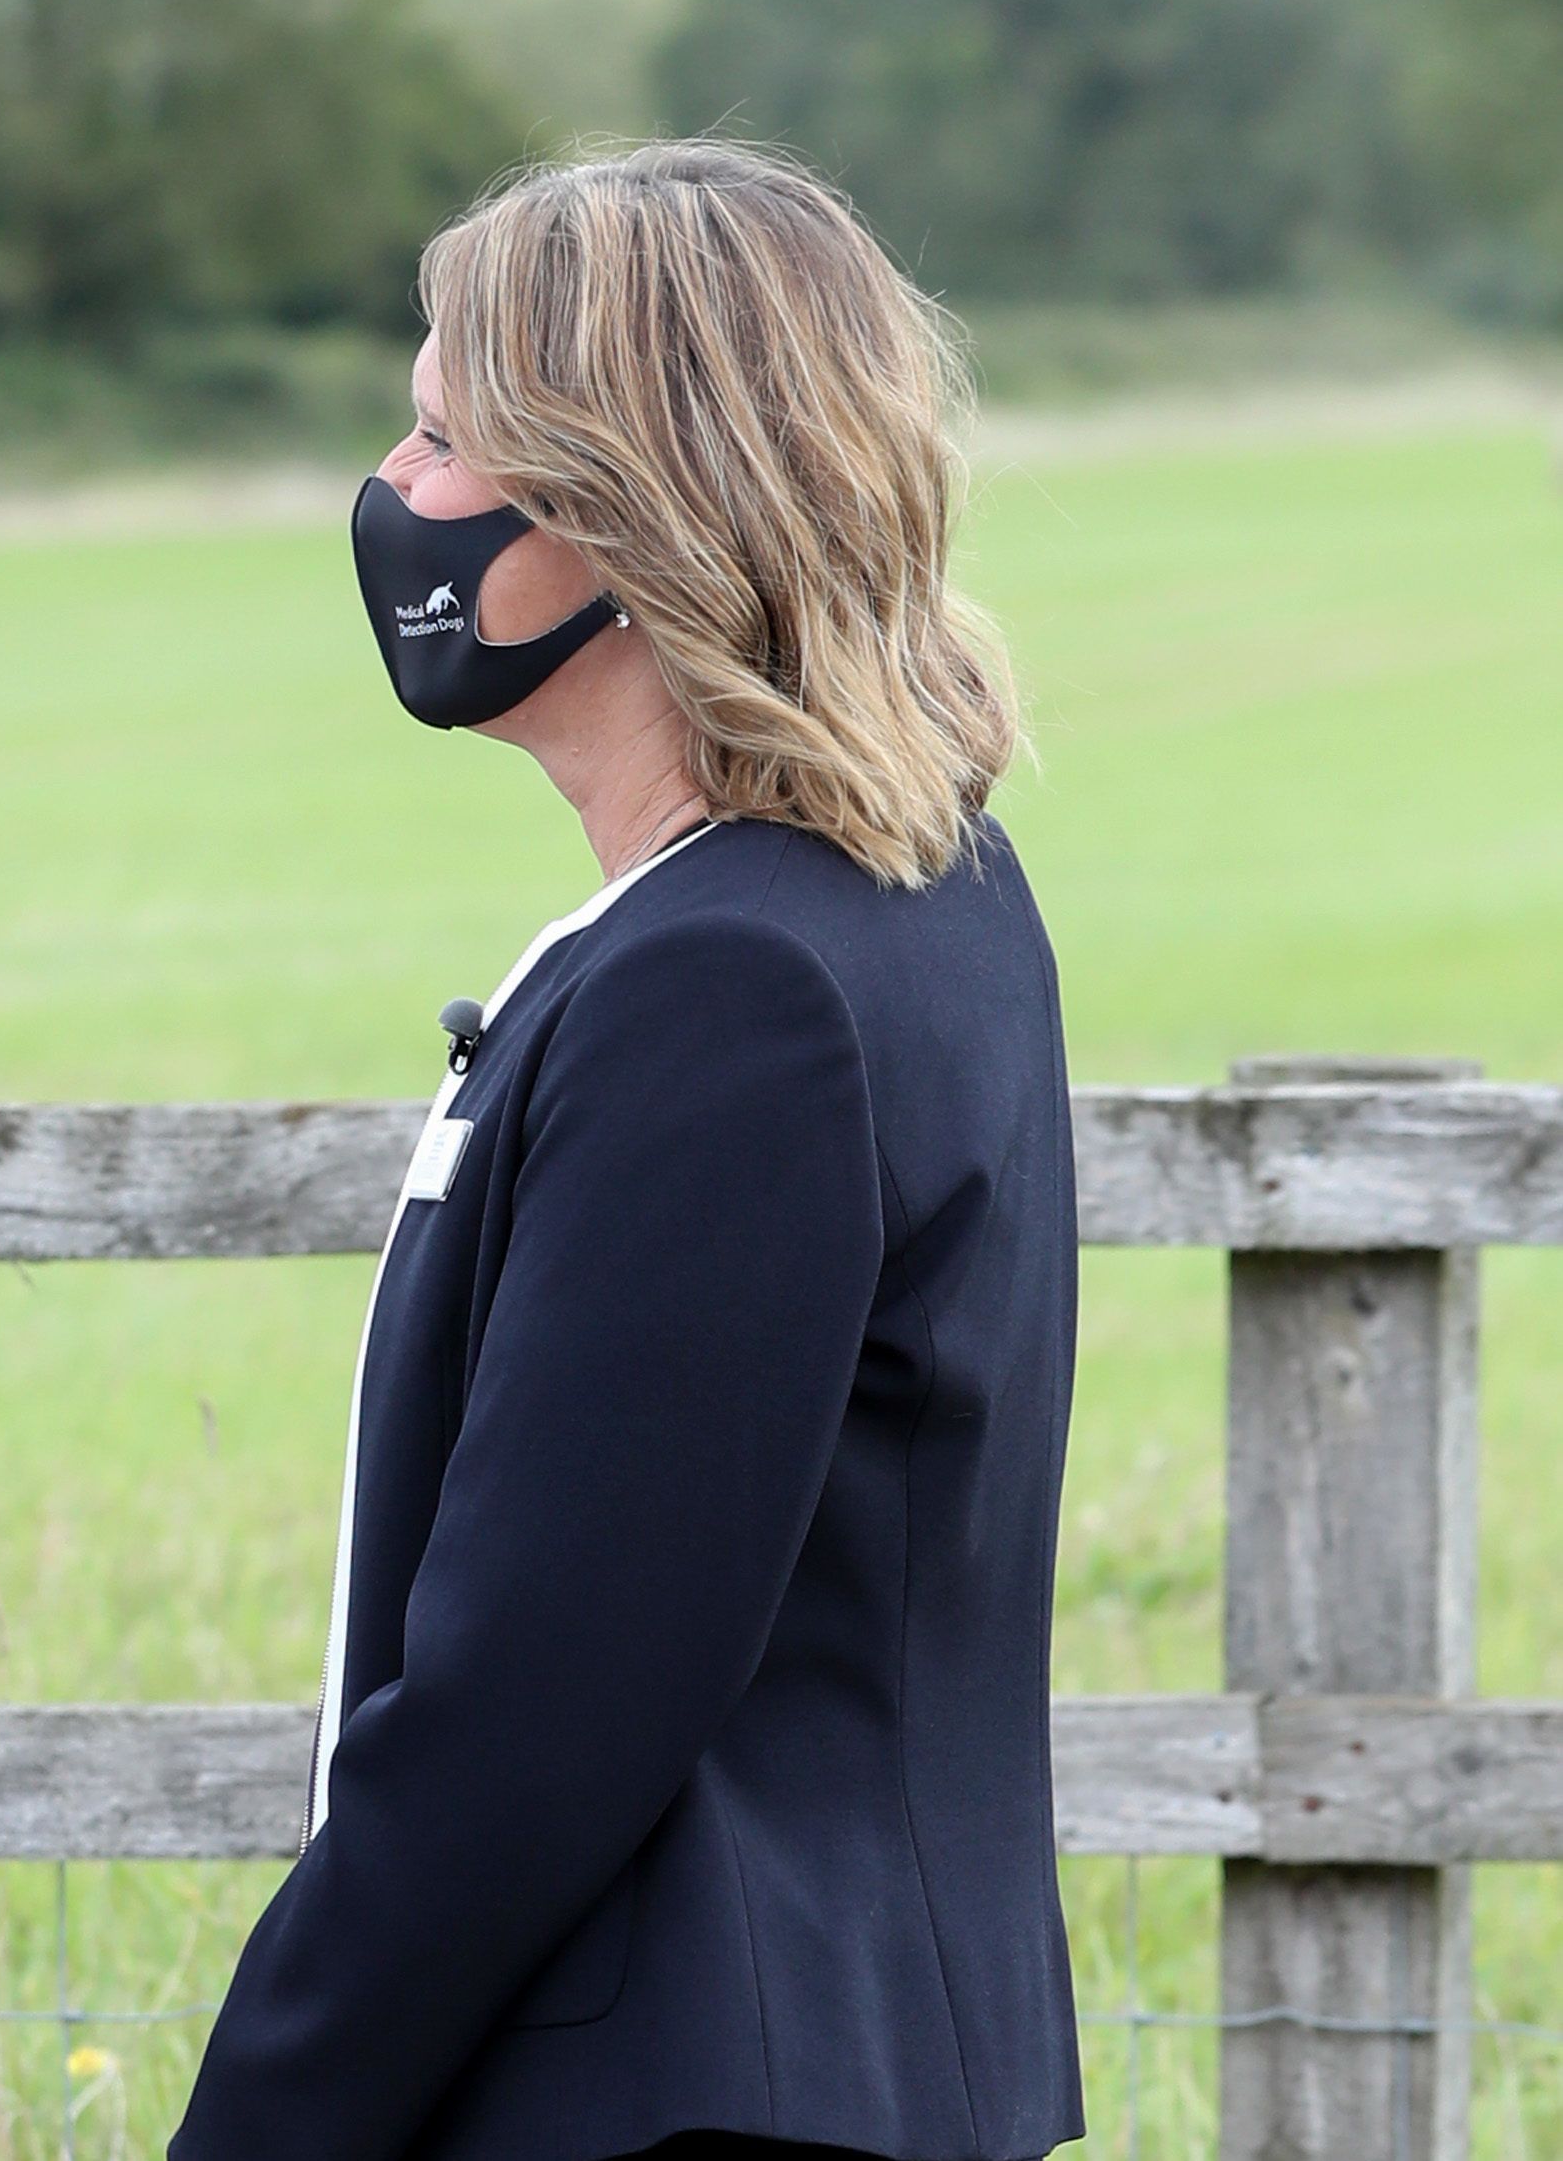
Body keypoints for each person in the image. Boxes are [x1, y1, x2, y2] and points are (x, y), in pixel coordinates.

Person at [171, 142, 1080, 2161]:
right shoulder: (916, 899)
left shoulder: (723, 990)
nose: (388, 497)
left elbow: (531, 1721)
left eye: (434, 439)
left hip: (674, 2104)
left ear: (618, 507)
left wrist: (259, 2128)